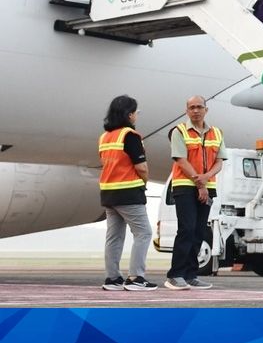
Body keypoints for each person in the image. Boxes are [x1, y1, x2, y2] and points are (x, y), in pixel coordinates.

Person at [165, 96, 227, 291]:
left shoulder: (216, 133)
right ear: (186, 111)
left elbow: (220, 161)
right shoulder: (179, 131)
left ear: (206, 110)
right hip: (185, 186)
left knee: (200, 231)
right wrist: (200, 183)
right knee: (187, 229)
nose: (196, 110)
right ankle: (175, 275)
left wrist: (206, 178)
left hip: (207, 185)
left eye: (199, 107)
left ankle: (191, 274)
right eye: (192, 107)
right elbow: (181, 160)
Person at [97, 95, 156, 291]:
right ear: (130, 115)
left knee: (114, 236)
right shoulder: (130, 135)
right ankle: (136, 277)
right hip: (128, 192)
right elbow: (142, 167)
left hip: (108, 193)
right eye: (136, 112)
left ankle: (112, 278)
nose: (136, 116)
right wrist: (144, 182)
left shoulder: (105, 137)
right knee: (144, 233)